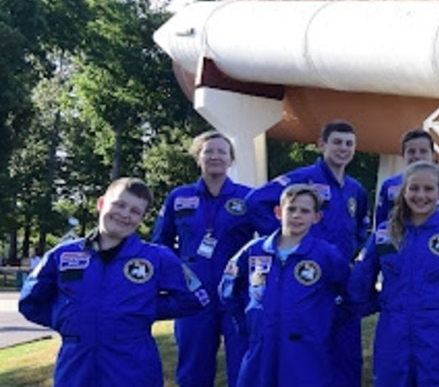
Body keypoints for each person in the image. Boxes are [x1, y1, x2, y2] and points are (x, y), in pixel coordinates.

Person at [20, 178, 211, 387]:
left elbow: (196, 298)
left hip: (133, 367)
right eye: (119, 205)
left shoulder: (157, 258)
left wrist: (145, 308)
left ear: (141, 219)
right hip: (76, 366)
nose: (125, 214)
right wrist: (69, 318)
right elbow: (31, 301)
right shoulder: (63, 255)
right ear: (101, 204)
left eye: (135, 211)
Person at [244, 118, 369, 387]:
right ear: (321, 144)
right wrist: (292, 238)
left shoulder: (355, 189)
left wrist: (351, 249)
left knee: (345, 348)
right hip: (303, 277)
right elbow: (254, 201)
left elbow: (360, 226)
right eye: (337, 142)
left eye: (349, 144)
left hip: (337, 274)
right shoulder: (302, 179)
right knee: (306, 351)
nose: (343, 149)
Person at [349, 161, 439, 387]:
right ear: (404, 191)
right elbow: (360, 277)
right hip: (393, 330)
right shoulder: (385, 234)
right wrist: (377, 304)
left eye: (428, 189)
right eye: (414, 188)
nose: (420, 195)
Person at [152, 131, 256, 387]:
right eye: (208, 151)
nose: (215, 156)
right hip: (194, 296)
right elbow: (160, 244)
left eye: (222, 151)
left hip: (237, 295)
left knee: (243, 365)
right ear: (198, 158)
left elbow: (271, 241)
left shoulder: (248, 198)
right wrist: (177, 279)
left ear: (231, 160)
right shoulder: (179, 197)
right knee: (193, 369)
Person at [221, 184, 350, 387]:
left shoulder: (326, 255)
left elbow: (348, 293)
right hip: (261, 346)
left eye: (305, 211)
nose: (297, 215)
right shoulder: (254, 250)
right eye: (291, 209)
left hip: (306, 347)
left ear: (316, 218)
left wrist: (323, 322)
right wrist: (245, 322)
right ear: (279, 212)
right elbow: (228, 288)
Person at [374, 127, 439, 226]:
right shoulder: (389, 186)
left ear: (433, 155)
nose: (417, 156)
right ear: (403, 155)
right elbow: (381, 223)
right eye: (411, 151)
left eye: (423, 151)